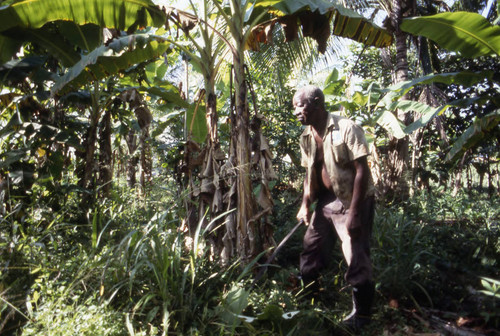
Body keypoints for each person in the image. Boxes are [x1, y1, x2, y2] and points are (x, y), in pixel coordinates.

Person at [293, 85, 376, 330]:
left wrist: (355, 213)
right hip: (326, 202)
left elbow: (362, 171)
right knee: (311, 249)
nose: (297, 111)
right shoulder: (306, 137)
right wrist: (305, 205)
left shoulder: (346, 128)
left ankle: (362, 317)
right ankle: (312, 304)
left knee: (355, 255)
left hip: (353, 200)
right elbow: (309, 174)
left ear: (317, 103)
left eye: (301, 105)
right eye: (294, 107)